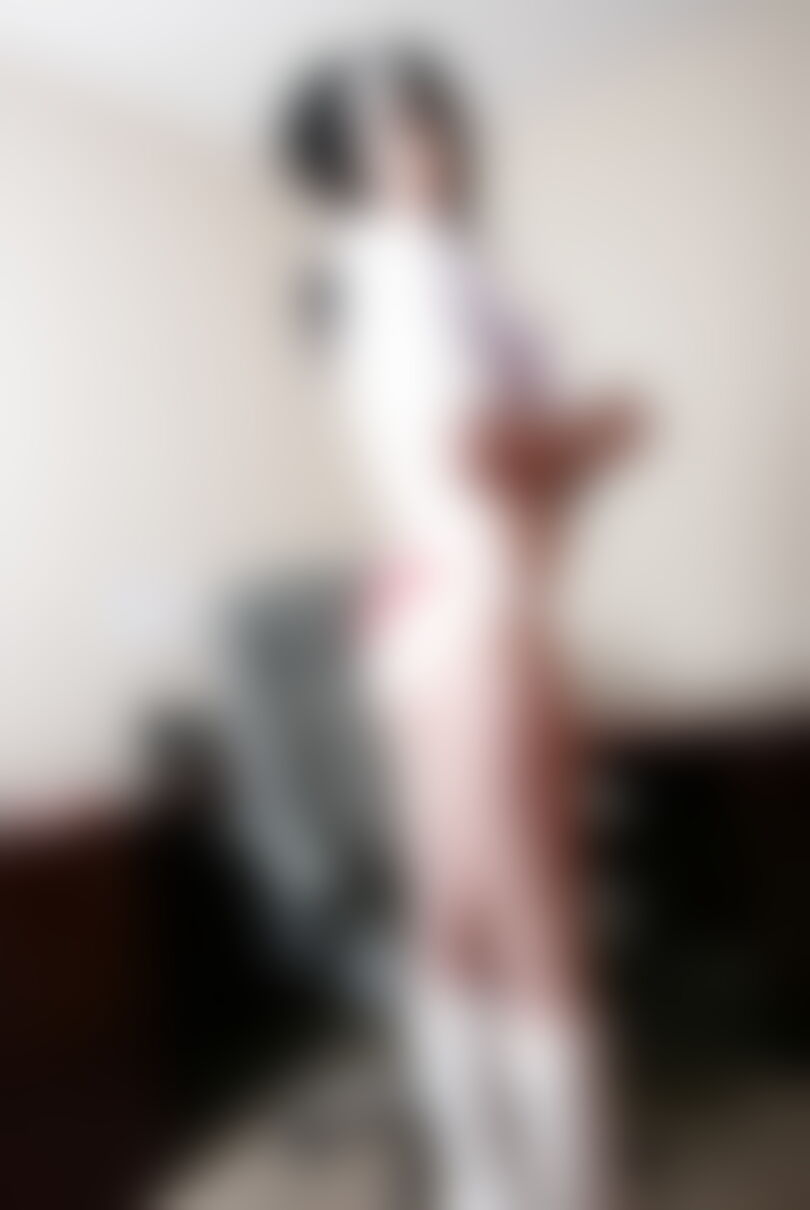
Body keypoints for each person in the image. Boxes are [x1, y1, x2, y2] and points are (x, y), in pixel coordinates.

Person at [276, 46, 640, 1210]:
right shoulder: (404, 263)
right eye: (386, 128)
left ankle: (489, 1184)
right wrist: (604, 431)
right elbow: (476, 450)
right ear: (346, 155)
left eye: (426, 119)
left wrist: (565, 454)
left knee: (460, 918)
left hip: (437, 608)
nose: (419, 143)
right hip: (471, 609)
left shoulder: (401, 265)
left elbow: (462, 458)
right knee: (537, 926)